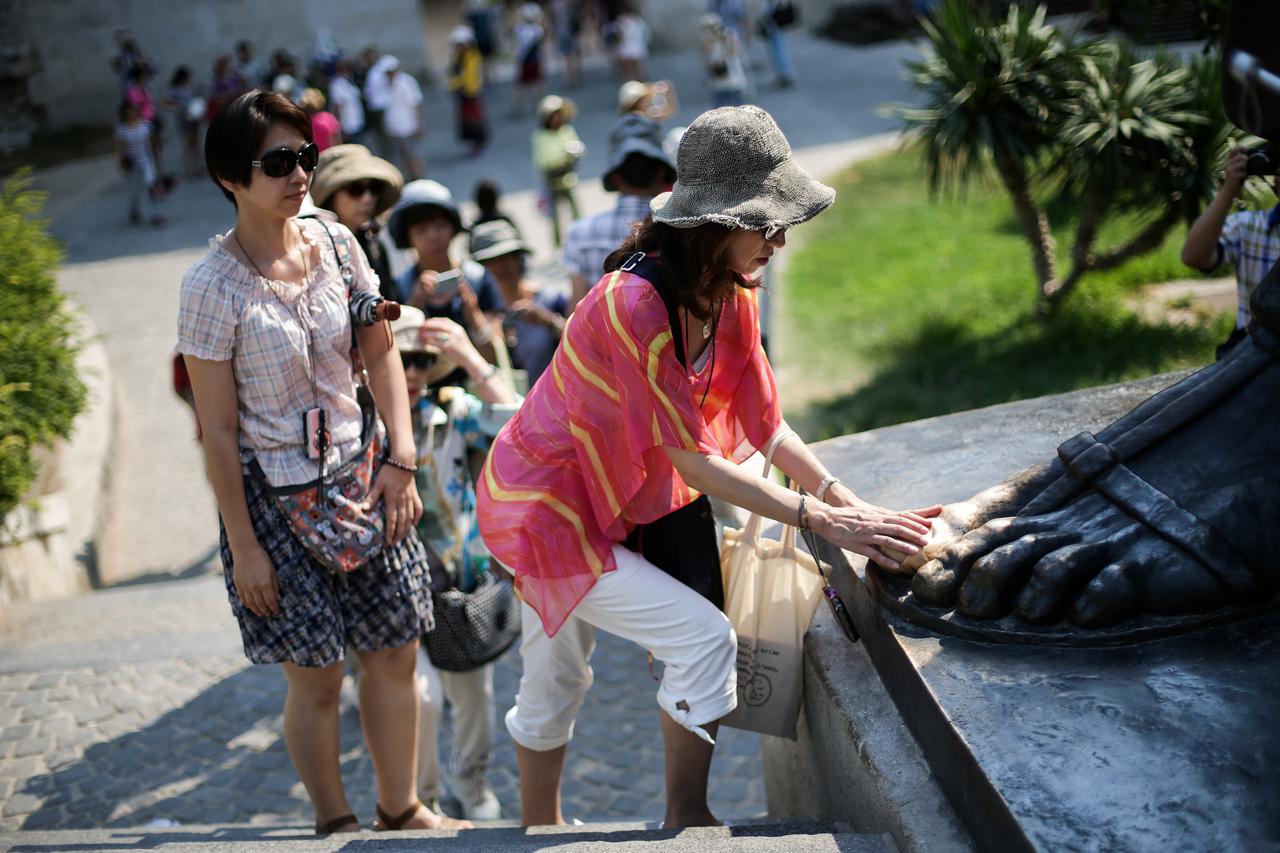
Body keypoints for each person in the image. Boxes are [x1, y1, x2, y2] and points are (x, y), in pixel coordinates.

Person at [476, 105, 940, 828]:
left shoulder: (731, 295)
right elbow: (688, 454)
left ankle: (684, 818)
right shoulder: (633, 303)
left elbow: (765, 424)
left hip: (632, 494)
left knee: (679, 641)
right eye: (769, 222)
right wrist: (822, 519)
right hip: (551, 507)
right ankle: (544, 831)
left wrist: (847, 501)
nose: (782, 241)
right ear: (719, 221)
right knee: (570, 672)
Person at [176, 90, 463, 834]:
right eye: (278, 161)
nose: (299, 172)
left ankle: (400, 806)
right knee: (316, 676)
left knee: (396, 651)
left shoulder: (336, 240)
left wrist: (401, 457)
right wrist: (243, 547)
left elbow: (378, 348)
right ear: (230, 179)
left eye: (303, 155)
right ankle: (333, 820)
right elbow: (216, 427)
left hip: (368, 475)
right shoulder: (210, 287)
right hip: (274, 500)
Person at [390, 306, 520, 822]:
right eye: (404, 361)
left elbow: (518, 420)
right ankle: (425, 798)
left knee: (473, 700)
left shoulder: (451, 408)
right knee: (420, 699)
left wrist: (467, 354)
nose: (416, 373)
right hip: (395, 589)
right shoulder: (360, 419)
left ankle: (471, 778)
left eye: (424, 361)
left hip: (459, 587)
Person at [387, 179, 503, 371]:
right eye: (421, 230)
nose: (433, 236)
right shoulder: (399, 287)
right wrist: (413, 307)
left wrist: (473, 315)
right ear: (407, 237)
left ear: (453, 228)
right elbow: (396, 360)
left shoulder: (479, 278)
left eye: (440, 226)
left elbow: (496, 355)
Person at [563, 113, 676, 309]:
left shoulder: (580, 233)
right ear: (662, 172)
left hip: (601, 338)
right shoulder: (681, 229)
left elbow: (575, 310)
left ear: (615, 177)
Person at [1181, 144, 1280, 357]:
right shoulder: (1251, 227)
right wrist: (1229, 190)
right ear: (1275, 181)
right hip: (1254, 348)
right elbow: (1194, 256)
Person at [470, 220, 568, 386]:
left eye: (508, 256)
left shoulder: (551, 299)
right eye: (492, 260)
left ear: (519, 257)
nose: (501, 266)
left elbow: (584, 339)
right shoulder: (477, 311)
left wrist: (550, 321)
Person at [311, 143, 404, 291]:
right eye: (356, 189)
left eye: (374, 188)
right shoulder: (312, 249)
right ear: (330, 196)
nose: (368, 199)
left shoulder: (374, 245)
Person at [532, 95, 584, 247]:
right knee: (555, 217)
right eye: (553, 115)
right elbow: (544, 160)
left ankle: (579, 239)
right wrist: (563, 157)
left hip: (568, 178)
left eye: (558, 115)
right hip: (552, 181)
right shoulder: (541, 136)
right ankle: (558, 245)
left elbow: (576, 146)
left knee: (576, 212)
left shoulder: (567, 130)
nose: (556, 119)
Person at [114, 100, 164, 227]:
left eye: (133, 109)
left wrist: (157, 161)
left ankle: (156, 214)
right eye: (128, 110)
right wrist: (119, 164)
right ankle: (134, 209)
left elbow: (152, 146)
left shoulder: (145, 126)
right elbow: (119, 149)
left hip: (146, 162)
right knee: (134, 190)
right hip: (132, 164)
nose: (130, 112)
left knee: (151, 187)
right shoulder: (122, 129)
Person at [447, 26, 489, 157]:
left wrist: (456, 83)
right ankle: (472, 143)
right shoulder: (459, 57)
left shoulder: (472, 56)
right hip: (463, 94)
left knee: (475, 121)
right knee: (466, 122)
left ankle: (478, 143)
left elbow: (468, 76)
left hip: (471, 93)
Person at [382, 57, 425, 180]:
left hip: (408, 126)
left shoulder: (407, 82)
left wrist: (418, 125)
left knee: (412, 155)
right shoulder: (385, 84)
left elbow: (416, 104)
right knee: (399, 157)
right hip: (393, 128)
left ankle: (417, 178)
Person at [700, 14, 748, 108]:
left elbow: (736, 51)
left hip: (733, 79)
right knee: (719, 110)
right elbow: (704, 58)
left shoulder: (729, 35)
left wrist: (725, 41)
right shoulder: (706, 41)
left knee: (736, 109)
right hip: (717, 81)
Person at [167, 66, 204, 178]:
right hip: (183, 120)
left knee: (196, 145)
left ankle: (198, 168)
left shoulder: (189, 88)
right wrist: (178, 108)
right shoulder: (174, 90)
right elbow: (167, 103)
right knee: (187, 145)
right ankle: (190, 170)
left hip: (193, 119)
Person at [512, 3, 546, 118]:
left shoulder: (519, 28)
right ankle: (539, 106)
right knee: (537, 83)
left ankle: (519, 108)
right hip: (534, 59)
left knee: (521, 84)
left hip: (523, 59)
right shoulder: (538, 29)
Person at [758, 0, 797, 89]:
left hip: (775, 25)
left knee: (779, 50)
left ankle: (786, 74)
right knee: (776, 51)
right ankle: (782, 74)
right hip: (772, 26)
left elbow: (769, 10)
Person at [328, 59, 367, 145]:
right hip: (347, 127)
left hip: (356, 124)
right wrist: (339, 128)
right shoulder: (337, 85)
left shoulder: (349, 82)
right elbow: (337, 107)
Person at [550, 0, 583, 89]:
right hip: (566, 32)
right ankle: (571, 78)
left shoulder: (556, 4)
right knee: (569, 57)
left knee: (567, 57)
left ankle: (569, 78)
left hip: (564, 32)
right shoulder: (564, 3)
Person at [614, 4, 651, 83]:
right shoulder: (639, 20)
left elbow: (620, 37)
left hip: (628, 49)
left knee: (630, 72)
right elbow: (647, 35)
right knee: (639, 70)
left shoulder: (623, 21)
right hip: (638, 48)